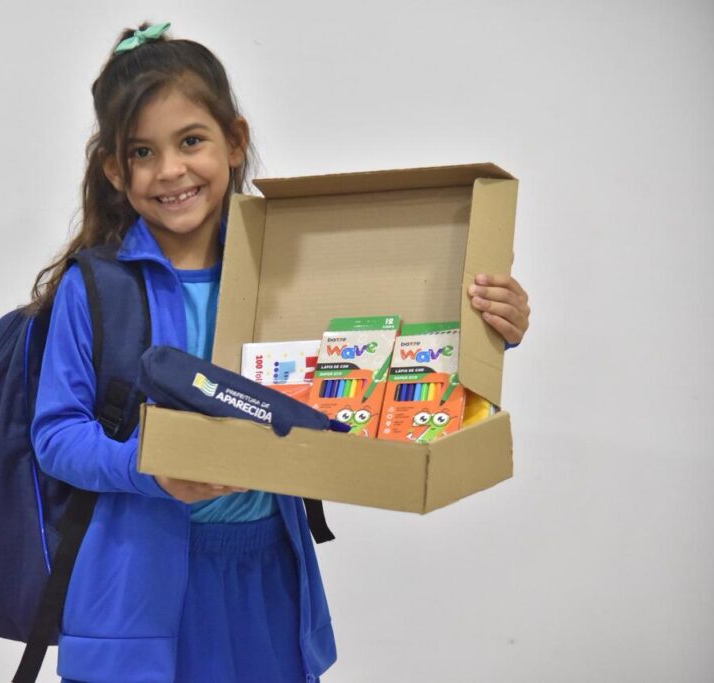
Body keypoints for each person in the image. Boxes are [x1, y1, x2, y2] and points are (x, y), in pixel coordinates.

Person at [29, 22, 531, 683]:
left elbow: (383, 362)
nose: (171, 169)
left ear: (234, 141)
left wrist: (490, 327)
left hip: (266, 570)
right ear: (116, 171)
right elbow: (56, 436)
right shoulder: (95, 287)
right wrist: (153, 468)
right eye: (143, 152)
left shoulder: (286, 273)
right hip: (136, 591)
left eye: (191, 140)